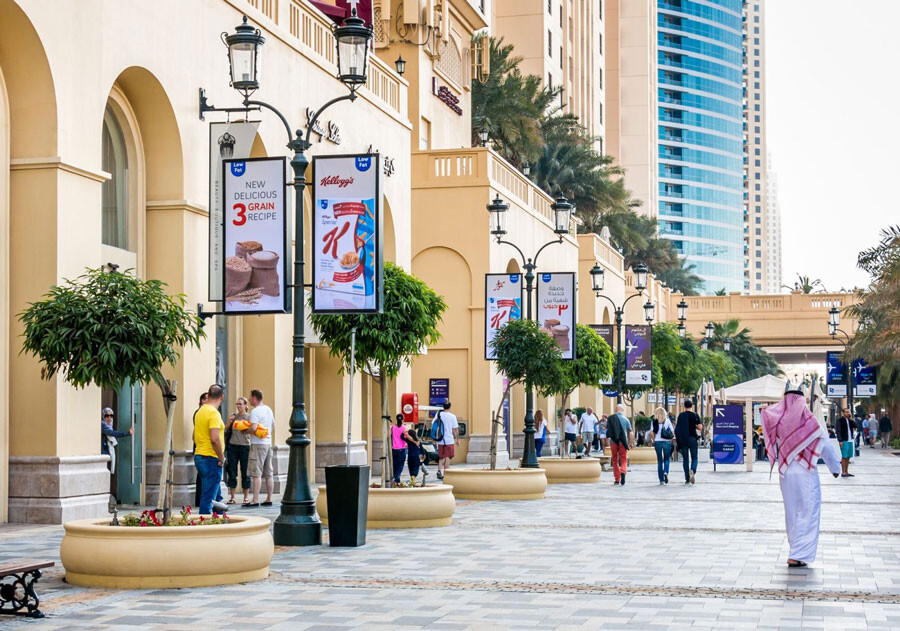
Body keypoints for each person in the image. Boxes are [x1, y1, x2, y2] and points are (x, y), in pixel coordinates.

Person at [761, 388, 842, 567]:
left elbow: (768, 434)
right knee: (808, 511)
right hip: (806, 472)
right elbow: (826, 444)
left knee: (791, 512)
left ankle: (795, 550)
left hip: (786, 473)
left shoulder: (779, 420)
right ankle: (798, 554)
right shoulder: (809, 422)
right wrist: (835, 468)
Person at [193, 385, 226, 515]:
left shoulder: (200, 412)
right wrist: (221, 457)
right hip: (212, 458)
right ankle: (205, 527)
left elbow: (194, 436)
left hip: (200, 456)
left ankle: (220, 519)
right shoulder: (214, 413)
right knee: (208, 498)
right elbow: (214, 439)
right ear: (222, 397)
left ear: (208, 394)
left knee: (215, 496)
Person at [246, 389, 275, 507]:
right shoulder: (268, 409)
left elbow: (253, 428)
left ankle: (255, 500)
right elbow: (273, 425)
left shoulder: (255, 411)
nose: (248, 399)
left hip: (258, 444)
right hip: (268, 443)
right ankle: (269, 498)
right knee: (269, 473)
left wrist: (244, 431)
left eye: (250, 397)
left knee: (256, 473)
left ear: (254, 398)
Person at [225, 396, 252, 505]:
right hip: (233, 446)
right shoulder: (233, 417)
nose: (239, 406)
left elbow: (253, 430)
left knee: (245, 472)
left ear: (246, 405)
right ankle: (232, 497)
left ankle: (246, 497)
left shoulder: (249, 417)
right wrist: (229, 421)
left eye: (241, 404)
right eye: (237, 404)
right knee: (232, 471)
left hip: (245, 446)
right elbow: (226, 428)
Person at [675, 400, 702, 485]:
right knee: (694, 458)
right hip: (692, 438)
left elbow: (677, 427)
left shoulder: (681, 415)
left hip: (683, 440)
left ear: (684, 406)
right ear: (692, 406)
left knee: (685, 459)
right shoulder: (695, 415)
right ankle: (693, 470)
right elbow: (700, 427)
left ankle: (687, 478)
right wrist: (695, 426)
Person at [100, 407, 134, 472]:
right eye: (106, 415)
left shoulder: (109, 426)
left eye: (111, 415)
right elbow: (112, 433)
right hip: (103, 453)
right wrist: (127, 433)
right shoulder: (103, 425)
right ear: (103, 416)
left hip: (106, 452)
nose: (109, 418)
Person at [607, 403, 633, 485]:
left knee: (614, 460)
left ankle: (617, 479)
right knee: (623, 459)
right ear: (623, 410)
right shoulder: (626, 419)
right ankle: (623, 471)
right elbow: (631, 433)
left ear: (615, 409)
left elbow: (608, 430)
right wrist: (630, 443)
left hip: (613, 441)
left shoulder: (611, 418)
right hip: (623, 441)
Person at [192, 392, 210, 507]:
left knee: (203, 475)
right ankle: (201, 501)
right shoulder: (200, 413)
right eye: (206, 399)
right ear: (202, 401)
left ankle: (201, 501)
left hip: (201, 447)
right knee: (203, 476)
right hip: (202, 448)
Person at [435, 401, 459, 480]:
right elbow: (455, 429)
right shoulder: (452, 416)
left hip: (440, 439)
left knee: (441, 457)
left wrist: (434, 438)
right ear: (450, 407)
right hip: (449, 439)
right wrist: (457, 439)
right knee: (448, 456)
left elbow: (434, 425)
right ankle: (446, 473)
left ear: (443, 406)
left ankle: (439, 470)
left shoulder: (439, 415)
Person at [651, 407, 675, 485]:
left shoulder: (654, 421)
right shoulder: (667, 421)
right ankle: (665, 472)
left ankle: (661, 480)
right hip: (666, 442)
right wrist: (671, 439)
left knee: (659, 461)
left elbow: (652, 432)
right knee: (666, 459)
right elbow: (672, 431)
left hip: (657, 442)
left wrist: (654, 439)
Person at [390, 415, 411, 486]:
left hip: (394, 449)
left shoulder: (393, 427)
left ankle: (395, 479)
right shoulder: (404, 428)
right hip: (402, 449)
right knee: (400, 465)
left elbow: (388, 435)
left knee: (395, 465)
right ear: (403, 419)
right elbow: (406, 437)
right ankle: (397, 478)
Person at [836, 407, 855, 477]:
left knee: (848, 457)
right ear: (843, 413)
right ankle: (843, 472)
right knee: (844, 456)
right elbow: (838, 430)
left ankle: (846, 471)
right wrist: (840, 440)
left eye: (849, 412)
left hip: (850, 440)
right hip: (844, 440)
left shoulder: (850, 421)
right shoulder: (840, 420)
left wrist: (851, 419)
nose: (848, 413)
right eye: (846, 412)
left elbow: (855, 425)